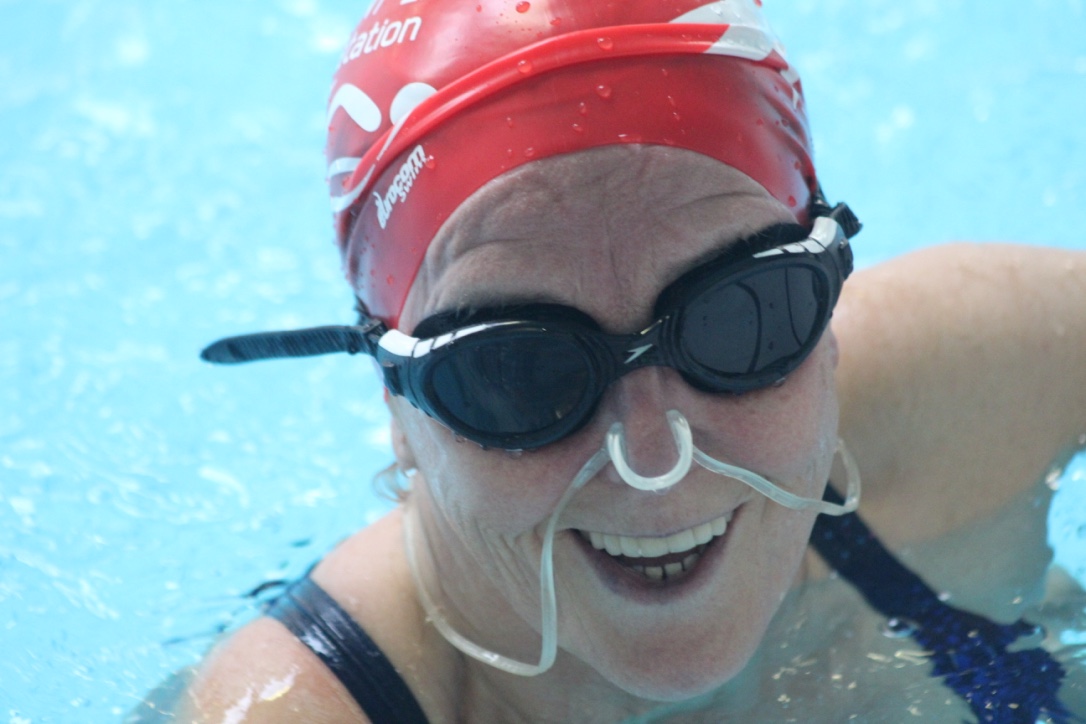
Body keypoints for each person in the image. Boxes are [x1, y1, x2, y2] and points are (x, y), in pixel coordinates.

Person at [168, 1, 1086, 721]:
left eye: (741, 319)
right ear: (397, 409)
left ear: (825, 307)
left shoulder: (979, 381)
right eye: (518, 371)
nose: (654, 459)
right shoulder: (306, 706)